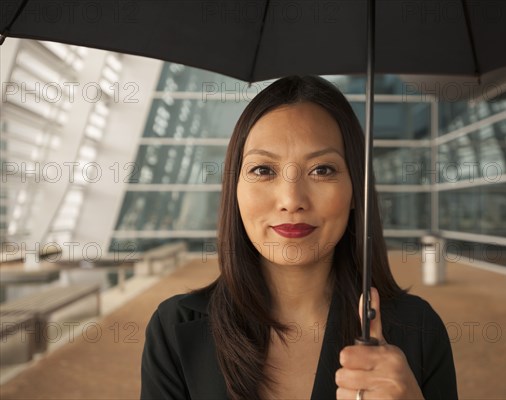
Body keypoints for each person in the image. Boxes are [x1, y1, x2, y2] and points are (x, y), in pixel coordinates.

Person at [140, 76, 457, 400]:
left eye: (321, 170)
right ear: (233, 190)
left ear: (355, 190)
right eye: (263, 170)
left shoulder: (418, 330)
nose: (291, 199)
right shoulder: (174, 330)